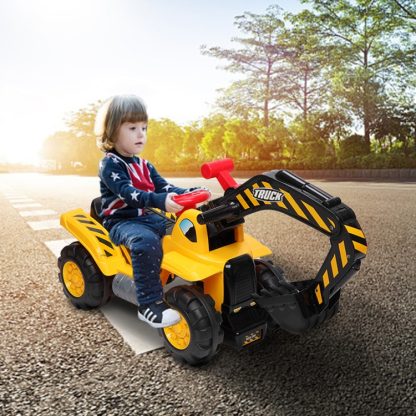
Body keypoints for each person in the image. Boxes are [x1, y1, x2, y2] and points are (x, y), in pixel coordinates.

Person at [95, 94, 200, 328]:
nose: (141, 133)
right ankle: (149, 304)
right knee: (146, 242)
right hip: (122, 221)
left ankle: (186, 276)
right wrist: (160, 200)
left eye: (144, 127)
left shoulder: (144, 164)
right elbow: (128, 194)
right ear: (111, 131)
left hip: (148, 217)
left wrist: (189, 192)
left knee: (186, 230)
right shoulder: (110, 164)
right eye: (132, 127)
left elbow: (165, 187)